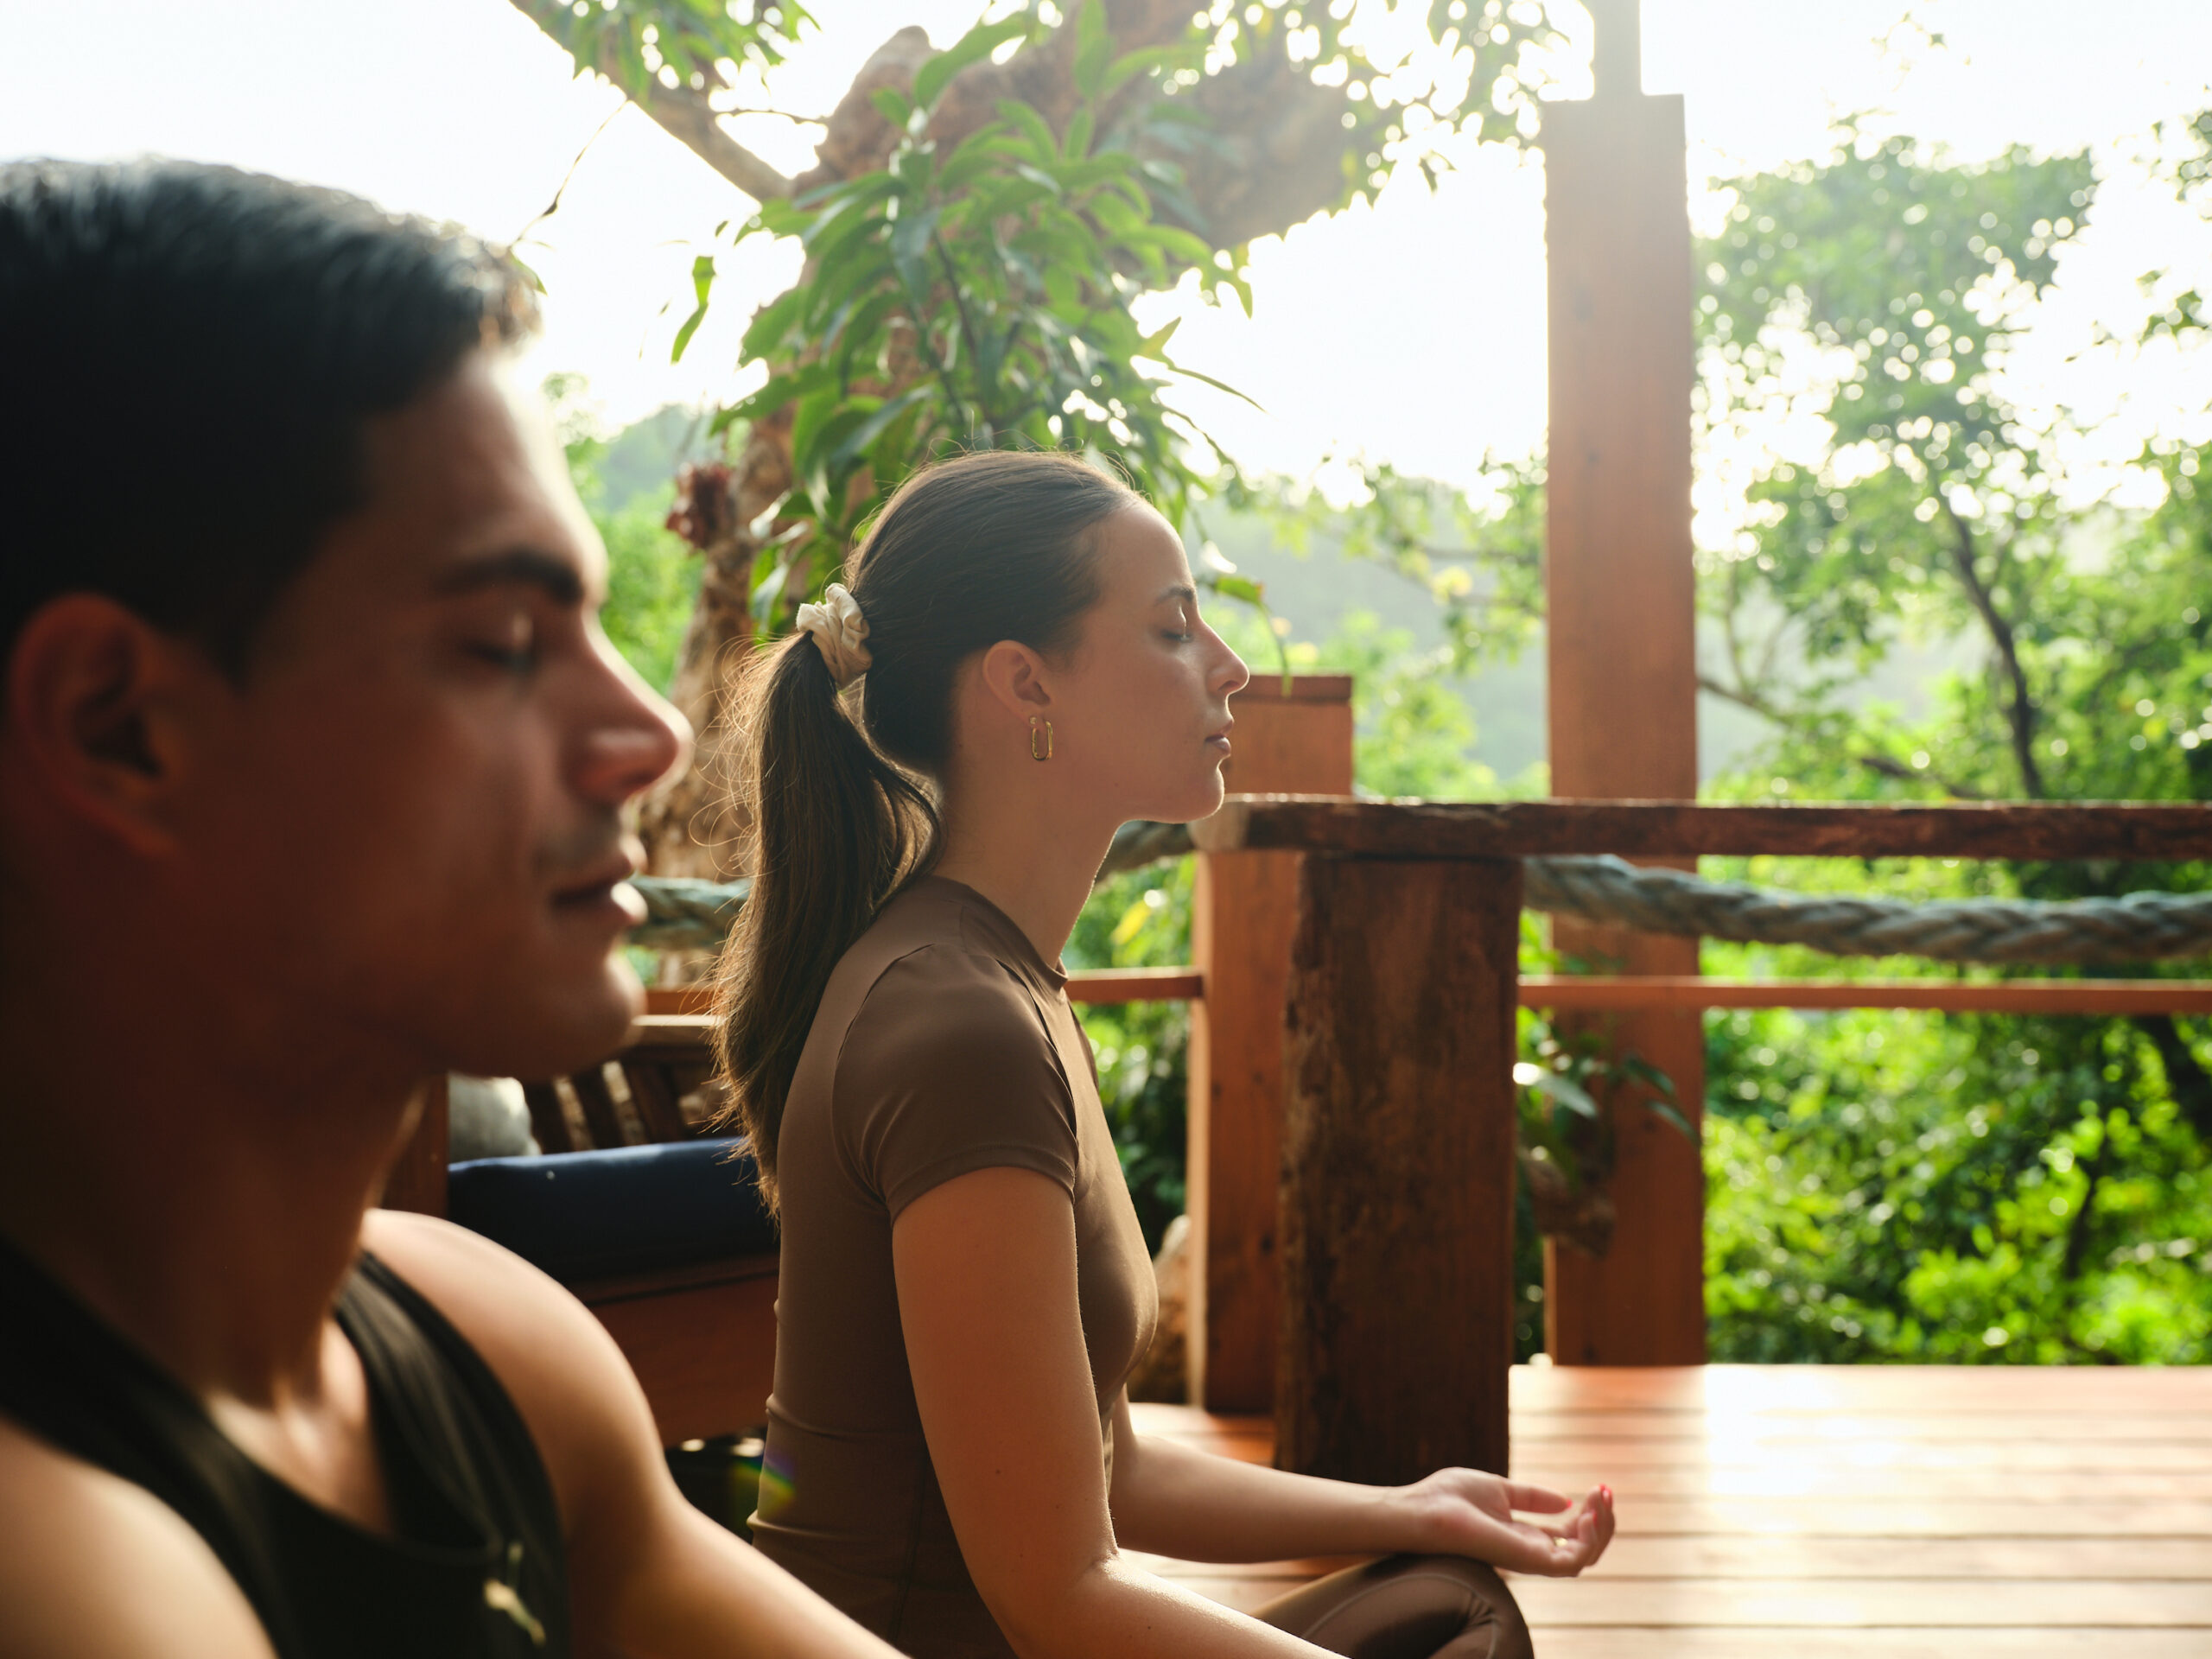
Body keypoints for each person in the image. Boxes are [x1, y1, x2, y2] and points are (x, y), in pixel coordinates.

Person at [0, 159, 908, 1659]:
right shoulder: (54, 1552)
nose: (650, 734)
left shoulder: (481, 1350)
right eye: (500, 641)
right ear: (116, 729)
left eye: (598, 625)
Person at [716, 450, 1618, 1659]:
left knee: (1447, 1595)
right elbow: (1061, 1597)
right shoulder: (958, 1025)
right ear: (1026, 686)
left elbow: (1109, 1470)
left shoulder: (994, 976)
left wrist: (1410, 1507)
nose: (1230, 667)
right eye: (1173, 626)